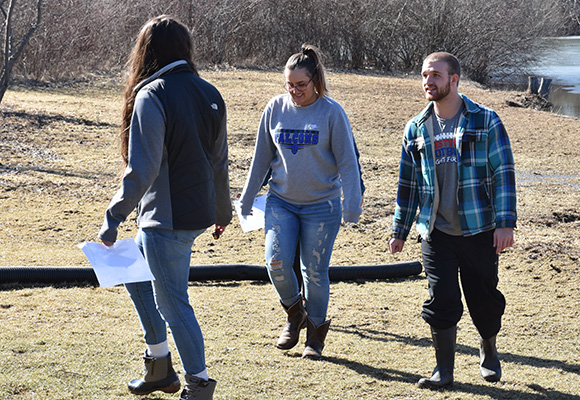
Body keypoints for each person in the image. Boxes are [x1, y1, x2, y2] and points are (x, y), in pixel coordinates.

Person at [98, 15, 231, 400]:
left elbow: (143, 168)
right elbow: (220, 162)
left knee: (173, 303)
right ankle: (158, 367)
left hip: (166, 220)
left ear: (145, 51)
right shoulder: (209, 92)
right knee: (138, 278)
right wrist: (221, 213)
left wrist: (112, 217)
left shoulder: (151, 94)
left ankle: (200, 385)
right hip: (191, 215)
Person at [388, 52, 516, 389]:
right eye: (425, 76)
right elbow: (408, 183)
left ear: (454, 80)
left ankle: (488, 345)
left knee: (483, 297)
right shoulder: (415, 127)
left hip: (478, 228)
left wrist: (505, 222)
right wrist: (399, 230)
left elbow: (503, 173)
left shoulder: (485, 120)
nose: (429, 81)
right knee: (440, 297)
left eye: (436, 75)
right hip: (435, 230)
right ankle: (443, 370)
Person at [239, 44, 363, 359]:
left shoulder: (331, 111)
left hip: (322, 205)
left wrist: (353, 202)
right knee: (275, 262)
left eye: (301, 85)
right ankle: (295, 314)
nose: (295, 91)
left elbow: (348, 162)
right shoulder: (275, 109)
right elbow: (261, 159)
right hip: (281, 201)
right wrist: (247, 197)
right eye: (290, 85)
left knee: (315, 270)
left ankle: (315, 338)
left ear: (315, 80)